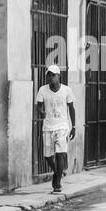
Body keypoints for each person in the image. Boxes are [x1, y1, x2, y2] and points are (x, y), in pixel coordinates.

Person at [35, 64, 76, 193]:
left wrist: (73, 126)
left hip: (62, 126)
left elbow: (71, 108)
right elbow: (39, 106)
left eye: (53, 75)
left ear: (59, 76)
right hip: (48, 126)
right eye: (49, 75)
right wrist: (41, 112)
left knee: (60, 154)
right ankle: (57, 172)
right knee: (47, 156)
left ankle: (57, 183)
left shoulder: (66, 90)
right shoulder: (42, 90)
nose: (51, 77)